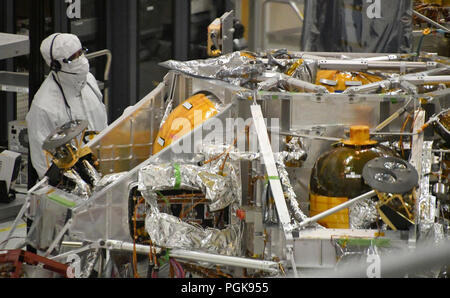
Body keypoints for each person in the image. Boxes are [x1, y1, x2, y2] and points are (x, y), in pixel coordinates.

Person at [26, 33, 108, 179]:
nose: (81, 60)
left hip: (105, 171)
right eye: (73, 57)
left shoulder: (89, 81)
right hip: (74, 190)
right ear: (56, 65)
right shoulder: (43, 106)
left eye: (81, 53)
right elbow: (43, 164)